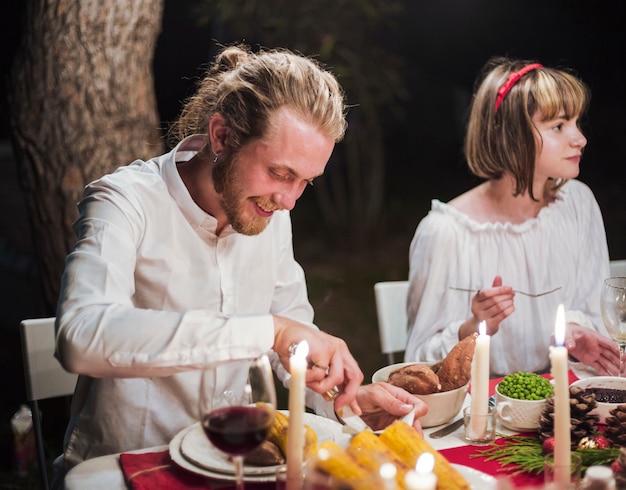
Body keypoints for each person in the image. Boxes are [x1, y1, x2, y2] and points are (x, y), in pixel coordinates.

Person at [54, 45, 427, 476]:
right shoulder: (123, 201)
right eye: (280, 173)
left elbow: (290, 351)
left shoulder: (270, 212)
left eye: (305, 181)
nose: (289, 200)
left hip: (236, 465)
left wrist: (343, 402)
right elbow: (81, 337)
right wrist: (269, 330)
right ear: (222, 136)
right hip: (125, 469)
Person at [405, 56, 619, 377]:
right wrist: (474, 328)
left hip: (558, 399)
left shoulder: (577, 205)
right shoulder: (447, 233)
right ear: (512, 135)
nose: (580, 139)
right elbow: (419, 363)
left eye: (576, 122)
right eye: (559, 126)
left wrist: (575, 332)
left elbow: (592, 308)